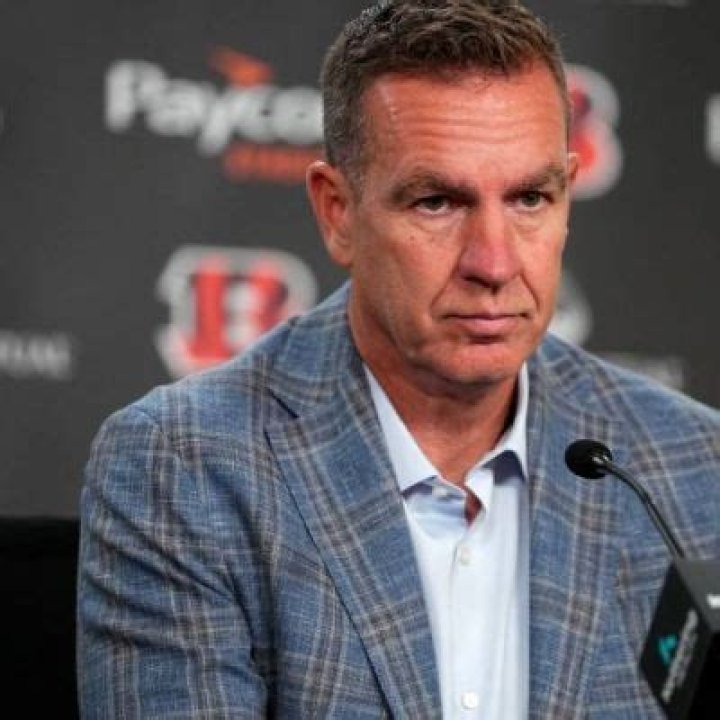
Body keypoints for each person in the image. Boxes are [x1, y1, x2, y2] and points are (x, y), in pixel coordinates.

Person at [77, 1, 720, 718]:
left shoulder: (694, 466)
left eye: (530, 198)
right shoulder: (184, 467)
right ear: (337, 212)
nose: (494, 263)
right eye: (437, 202)